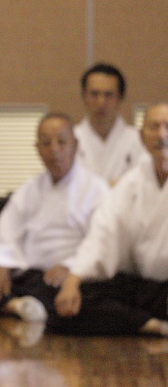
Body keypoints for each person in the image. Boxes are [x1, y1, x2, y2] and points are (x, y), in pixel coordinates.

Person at [0, 112, 109, 326]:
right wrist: (3, 267)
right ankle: (18, 306)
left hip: (64, 277)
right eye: (46, 143)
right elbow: (8, 233)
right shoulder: (29, 189)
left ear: (75, 145)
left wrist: (70, 267)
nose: (54, 150)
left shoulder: (96, 189)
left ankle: (15, 304)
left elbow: (100, 242)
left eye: (62, 142)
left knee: (74, 294)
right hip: (27, 274)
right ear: (37, 149)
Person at [52, 102, 168, 337]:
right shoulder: (133, 182)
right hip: (144, 286)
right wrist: (73, 279)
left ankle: (138, 321)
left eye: (167, 127)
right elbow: (104, 230)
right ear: (141, 136)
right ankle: (153, 325)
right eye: (154, 127)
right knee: (77, 301)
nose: (162, 135)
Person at [74, 63, 145, 185]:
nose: (101, 102)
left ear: (120, 97)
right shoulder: (69, 139)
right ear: (84, 96)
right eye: (94, 94)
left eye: (108, 95)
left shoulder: (138, 140)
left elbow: (143, 184)